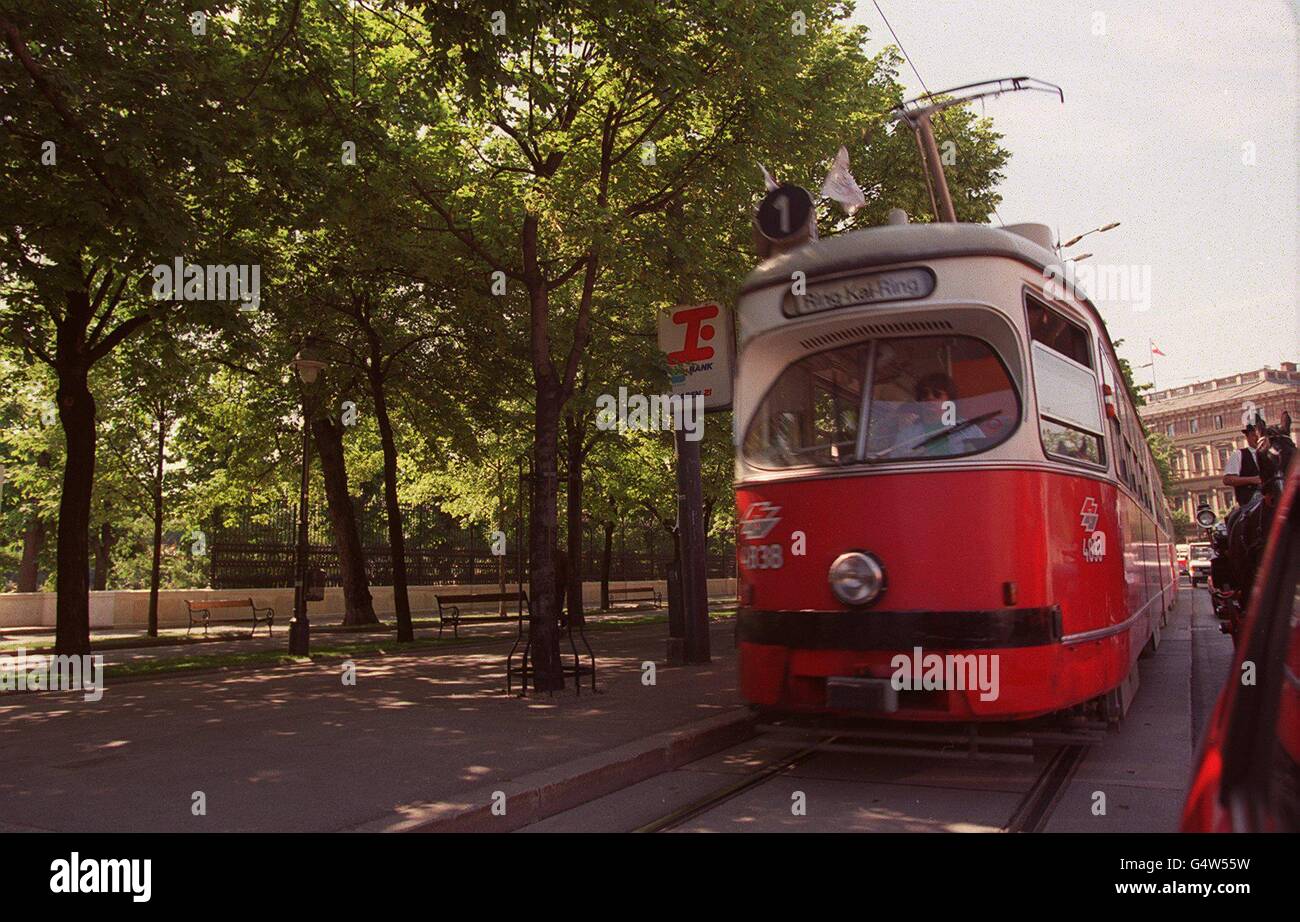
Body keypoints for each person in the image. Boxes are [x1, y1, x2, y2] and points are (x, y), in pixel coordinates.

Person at [893, 372, 985, 457]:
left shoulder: (968, 430)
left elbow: (983, 460)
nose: (930, 398)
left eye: (937, 394)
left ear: (950, 399)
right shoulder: (906, 436)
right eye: (925, 394)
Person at [1223, 416, 1265, 506]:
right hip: (1249, 501)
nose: (1257, 438)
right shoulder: (1239, 454)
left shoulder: (1271, 454)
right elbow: (1227, 480)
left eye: (1260, 435)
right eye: (1254, 435)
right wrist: (1252, 480)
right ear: (1247, 437)